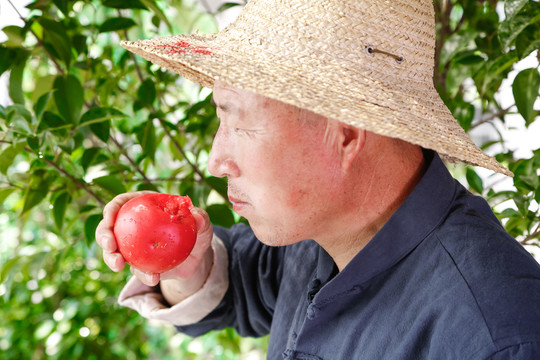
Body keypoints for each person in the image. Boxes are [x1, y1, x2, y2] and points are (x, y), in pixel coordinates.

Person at [96, 0, 540, 358]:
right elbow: (239, 287)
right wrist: (186, 265)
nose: (216, 160)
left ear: (346, 134)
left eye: (239, 124)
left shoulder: (497, 337)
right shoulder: (321, 229)